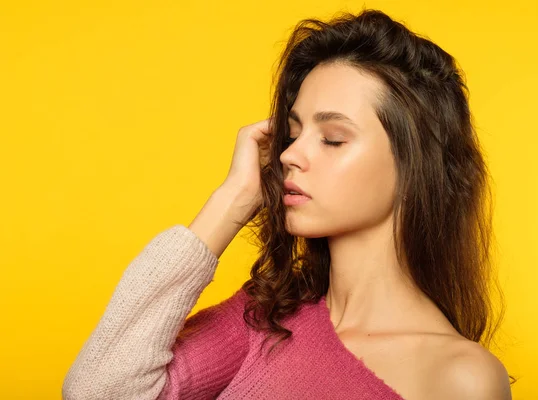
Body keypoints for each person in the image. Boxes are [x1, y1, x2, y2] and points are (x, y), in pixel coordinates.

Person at [62, 8, 514, 400]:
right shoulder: (265, 320)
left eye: (333, 139)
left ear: (415, 162)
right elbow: (97, 391)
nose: (288, 154)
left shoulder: (462, 379)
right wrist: (233, 200)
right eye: (294, 133)